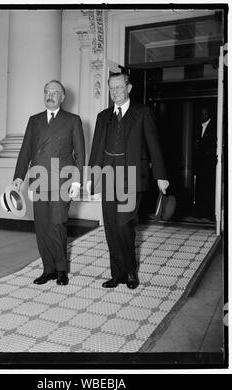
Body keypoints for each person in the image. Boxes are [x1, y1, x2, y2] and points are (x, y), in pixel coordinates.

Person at [87, 73, 169, 289]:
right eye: (111, 88)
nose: (115, 92)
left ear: (129, 87)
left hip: (132, 177)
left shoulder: (142, 113)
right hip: (107, 177)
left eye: (119, 87)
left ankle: (130, 272)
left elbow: (154, 145)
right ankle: (117, 273)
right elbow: (96, 149)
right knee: (111, 227)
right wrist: (92, 178)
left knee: (125, 225)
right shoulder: (103, 116)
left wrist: (161, 175)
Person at [13, 80, 85, 286]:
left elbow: (80, 154)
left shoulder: (72, 120)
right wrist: (19, 178)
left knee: (57, 225)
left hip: (62, 182)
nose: (50, 95)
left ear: (63, 97)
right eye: (47, 91)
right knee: (43, 227)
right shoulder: (34, 120)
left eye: (55, 92)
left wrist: (77, 182)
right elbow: (25, 150)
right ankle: (48, 269)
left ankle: (61, 269)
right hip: (38, 181)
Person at [194, 106, 217, 221]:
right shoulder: (199, 126)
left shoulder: (214, 126)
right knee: (201, 188)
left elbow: (212, 145)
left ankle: (210, 214)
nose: (203, 116)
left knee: (209, 189)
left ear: (209, 114)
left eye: (205, 114)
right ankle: (201, 213)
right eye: (202, 114)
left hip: (209, 164)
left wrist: (202, 146)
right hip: (201, 163)